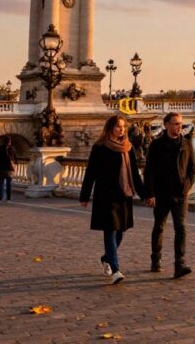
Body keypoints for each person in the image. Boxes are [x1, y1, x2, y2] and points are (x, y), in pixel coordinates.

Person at [80, 115, 145, 284]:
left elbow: (135, 175)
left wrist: (145, 194)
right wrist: (85, 195)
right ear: (109, 129)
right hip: (106, 195)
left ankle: (106, 257)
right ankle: (116, 270)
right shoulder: (100, 147)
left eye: (123, 127)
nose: (121, 130)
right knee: (110, 231)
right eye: (118, 127)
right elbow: (91, 173)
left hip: (123, 195)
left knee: (121, 232)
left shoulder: (128, 148)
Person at [144, 112, 195, 279]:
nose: (179, 126)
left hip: (180, 194)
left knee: (181, 228)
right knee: (159, 227)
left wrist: (186, 186)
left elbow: (193, 169)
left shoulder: (186, 144)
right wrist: (150, 193)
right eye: (175, 123)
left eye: (180, 123)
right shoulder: (157, 145)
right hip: (161, 194)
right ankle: (156, 260)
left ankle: (179, 264)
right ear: (166, 125)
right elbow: (149, 171)